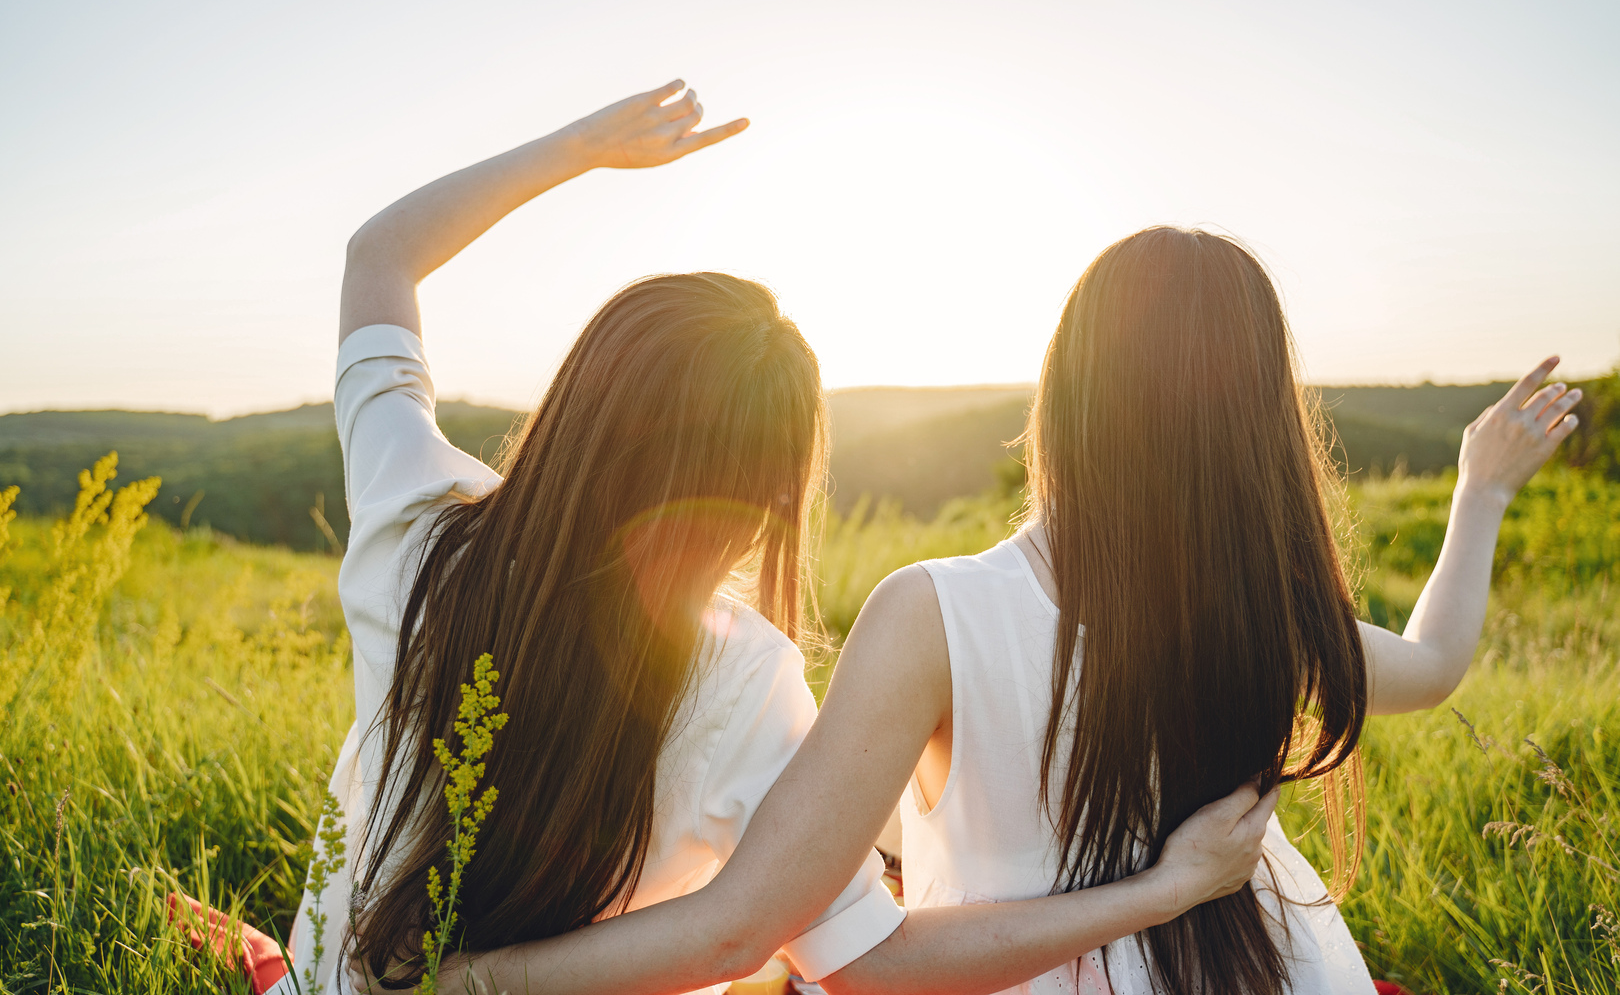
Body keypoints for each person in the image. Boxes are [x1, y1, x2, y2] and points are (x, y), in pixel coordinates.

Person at [378, 226, 1579, 995]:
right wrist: (1477, 491)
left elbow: (794, 932)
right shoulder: (1266, 620)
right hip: (1276, 962)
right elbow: (1434, 662)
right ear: (1262, 425)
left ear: (1063, 391)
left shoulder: (931, 616)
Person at [286, 82, 1274, 995]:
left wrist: (581, 147)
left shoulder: (417, 521)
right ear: (769, 494)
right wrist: (1165, 889)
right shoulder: (746, 684)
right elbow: (854, 964)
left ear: (580, 404)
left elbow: (380, 254)